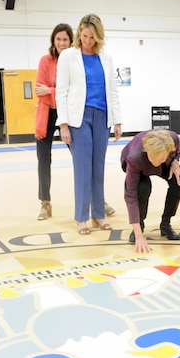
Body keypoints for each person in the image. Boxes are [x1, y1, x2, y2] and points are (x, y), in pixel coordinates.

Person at [56, 13, 122, 235]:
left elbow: (112, 89)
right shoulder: (68, 56)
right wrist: (63, 124)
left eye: (92, 37)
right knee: (83, 169)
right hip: (78, 118)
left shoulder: (106, 57)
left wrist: (118, 120)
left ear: (98, 36)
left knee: (98, 169)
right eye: (84, 35)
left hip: (102, 117)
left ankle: (99, 215)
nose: (87, 40)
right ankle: (81, 218)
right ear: (79, 34)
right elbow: (61, 91)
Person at [121, 130, 180, 254]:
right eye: (154, 159)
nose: (156, 163)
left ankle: (166, 224)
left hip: (164, 161)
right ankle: (139, 225)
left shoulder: (173, 139)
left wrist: (175, 163)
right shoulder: (135, 157)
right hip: (140, 164)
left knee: (178, 181)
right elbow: (130, 196)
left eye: (160, 159)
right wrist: (139, 236)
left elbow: (177, 151)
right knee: (143, 188)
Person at [33, 22, 72, 221]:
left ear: (71, 41)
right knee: (43, 160)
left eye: (65, 39)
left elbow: (74, 93)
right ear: (53, 40)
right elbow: (40, 92)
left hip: (69, 114)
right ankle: (45, 203)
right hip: (47, 114)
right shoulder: (45, 60)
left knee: (81, 157)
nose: (62, 43)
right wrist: (54, 94)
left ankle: (95, 199)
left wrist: (51, 91)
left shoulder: (75, 61)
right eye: (58, 39)